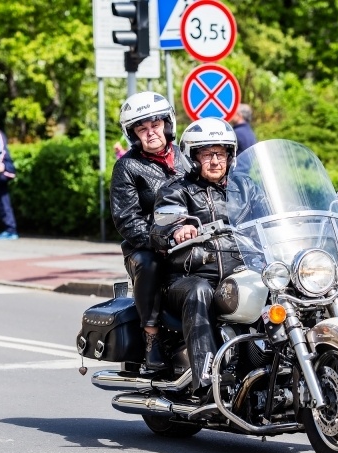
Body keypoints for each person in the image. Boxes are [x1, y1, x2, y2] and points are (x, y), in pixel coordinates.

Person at [151, 118, 265, 398]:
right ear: (193, 158)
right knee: (200, 291)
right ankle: (206, 379)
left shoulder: (245, 188)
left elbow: (269, 214)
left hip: (239, 273)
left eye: (221, 153)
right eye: (206, 154)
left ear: (230, 155)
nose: (215, 161)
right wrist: (177, 229)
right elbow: (159, 228)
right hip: (188, 278)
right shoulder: (177, 189)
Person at [110, 91, 186, 372]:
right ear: (133, 134)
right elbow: (127, 220)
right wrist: (161, 239)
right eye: (142, 128)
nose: (150, 133)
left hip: (195, 241)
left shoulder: (188, 157)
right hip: (145, 247)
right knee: (149, 263)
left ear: (167, 124)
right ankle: (151, 337)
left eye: (155, 125)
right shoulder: (128, 167)